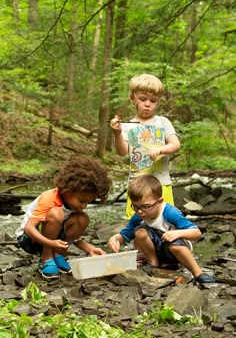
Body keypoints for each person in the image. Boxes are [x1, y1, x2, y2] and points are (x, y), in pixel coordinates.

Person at [16, 157, 112, 280]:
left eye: (88, 202)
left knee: (83, 218)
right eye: (82, 201)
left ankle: (57, 255)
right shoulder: (49, 198)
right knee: (57, 214)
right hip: (29, 240)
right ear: (68, 190)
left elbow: (74, 237)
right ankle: (46, 258)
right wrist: (50, 243)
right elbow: (29, 228)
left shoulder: (73, 203)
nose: (84, 205)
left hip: (53, 241)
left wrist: (90, 249)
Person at [107, 174, 215, 283]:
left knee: (174, 244)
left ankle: (198, 273)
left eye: (145, 206)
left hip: (176, 250)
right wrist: (115, 239)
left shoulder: (169, 212)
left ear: (159, 202)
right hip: (157, 251)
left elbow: (197, 233)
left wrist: (178, 233)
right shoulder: (138, 216)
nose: (139, 211)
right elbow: (125, 234)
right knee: (140, 232)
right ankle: (154, 265)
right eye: (135, 206)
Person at [109, 73, 181, 220]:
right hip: (137, 184)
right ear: (132, 99)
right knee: (136, 225)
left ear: (158, 102)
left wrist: (161, 149)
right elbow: (123, 152)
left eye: (153, 101)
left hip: (161, 183)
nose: (148, 104)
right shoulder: (127, 126)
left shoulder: (163, 122)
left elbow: (175, 144)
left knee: (166, 221)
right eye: (143, 99)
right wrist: (117, 133)